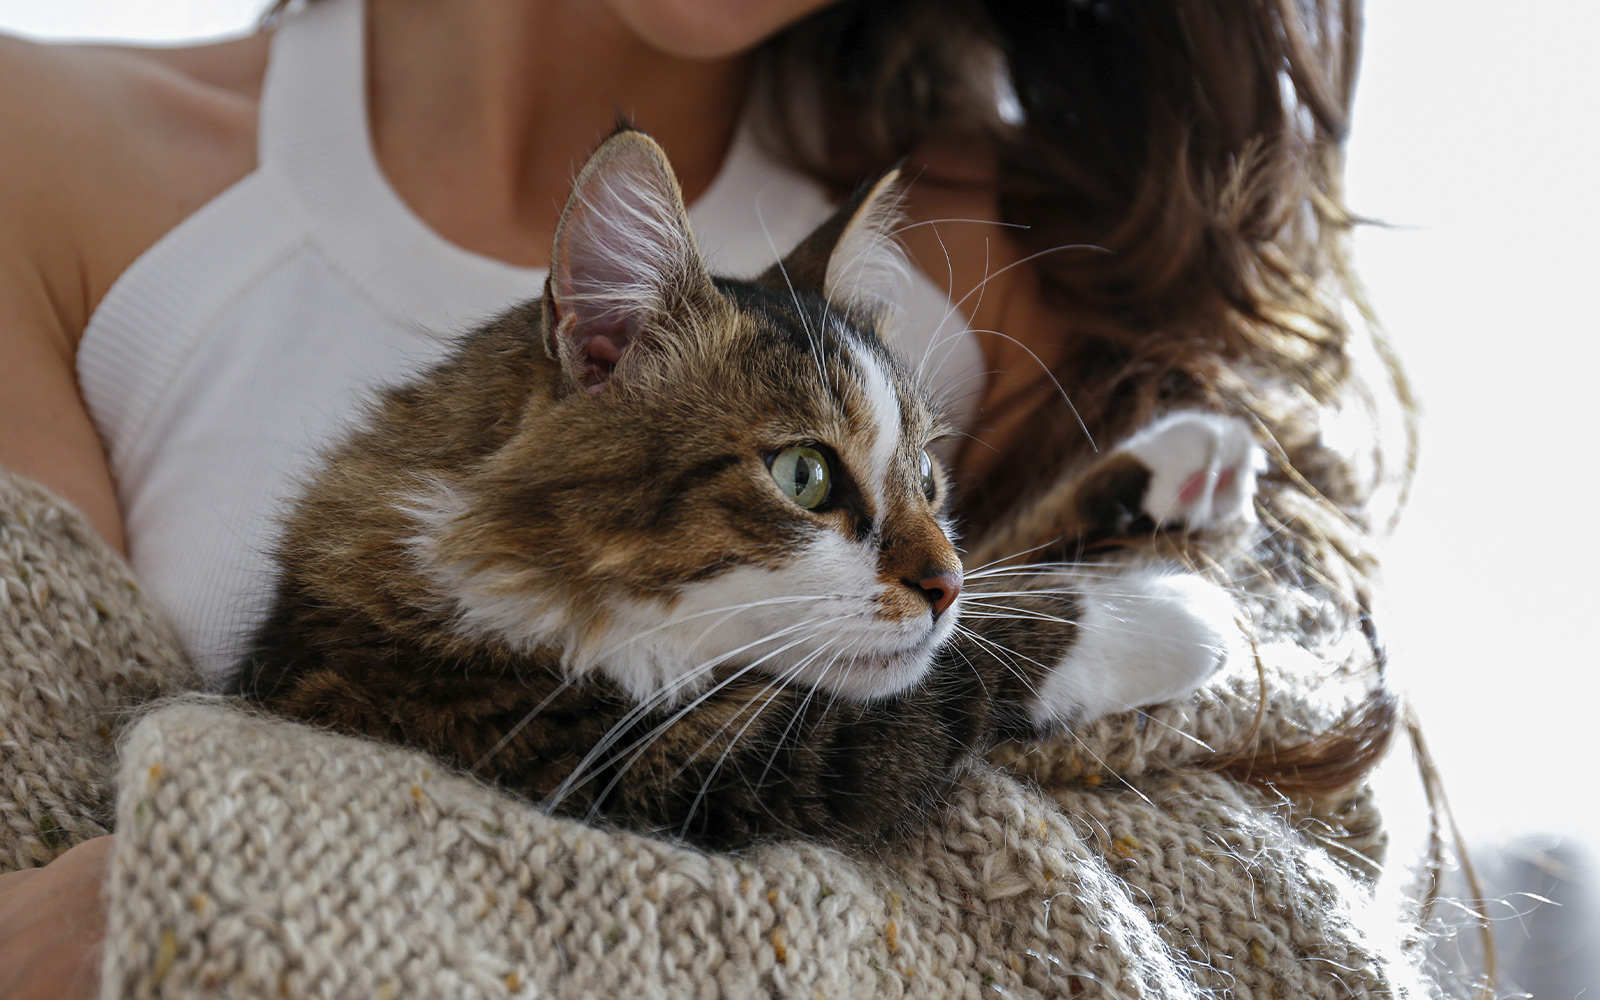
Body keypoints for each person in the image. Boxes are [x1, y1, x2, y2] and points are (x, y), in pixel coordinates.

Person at [0, 1, 1392, 996]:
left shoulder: (1081, 239)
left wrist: (240, 893)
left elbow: (1263, 935)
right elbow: (32, 914)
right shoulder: (37, 146)